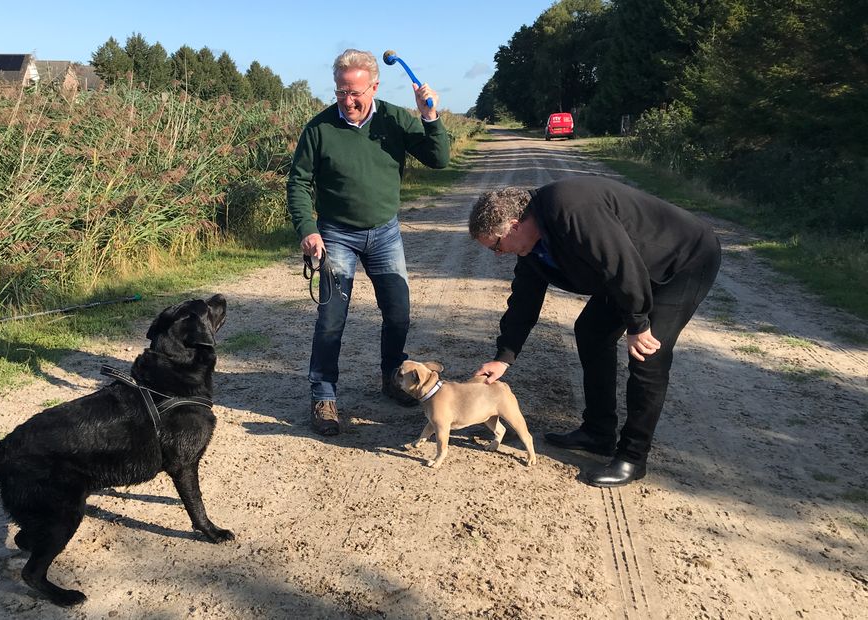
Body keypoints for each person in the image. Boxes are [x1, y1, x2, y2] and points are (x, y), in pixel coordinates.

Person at [468, 176, 721, 487]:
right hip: (632, 271)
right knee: (591, 330)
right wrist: (504, 356)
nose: (497, 254)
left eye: (496, 245)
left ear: (514, 225)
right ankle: (598, 432)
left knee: (647, 356)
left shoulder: (569, 207)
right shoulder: (531, 248)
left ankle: (632, 457)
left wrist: (638, 322)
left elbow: (619, 261)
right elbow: (524, 300)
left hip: (681, 260)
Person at [286, 49, 451, 436]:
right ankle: (323, 396)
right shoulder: (319, 128)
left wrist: (429, 117)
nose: (348, 100)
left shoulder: (394, 119)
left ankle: (393, 379)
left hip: (384, 231)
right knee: (331, 318)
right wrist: (307, 228)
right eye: (341, 91)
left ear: (374, 86)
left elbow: (439, 159)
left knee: (398, 312)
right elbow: (298, 183)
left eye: (356, 92)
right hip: (335, 234)